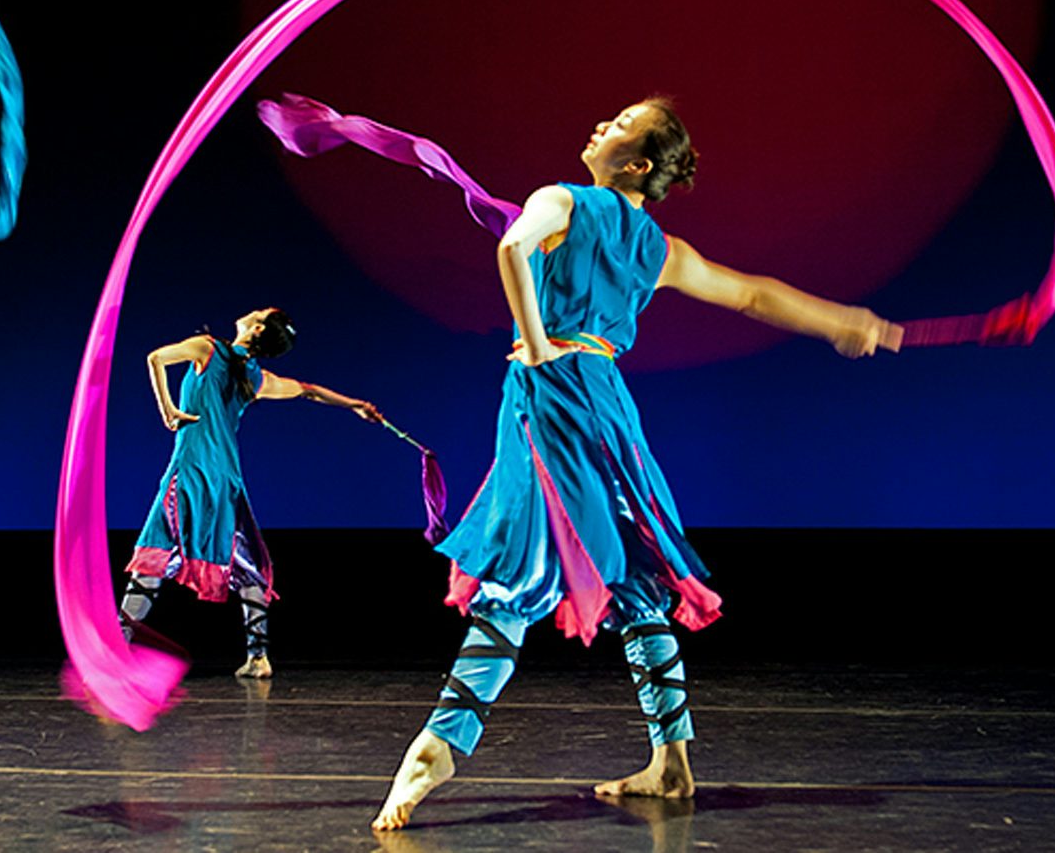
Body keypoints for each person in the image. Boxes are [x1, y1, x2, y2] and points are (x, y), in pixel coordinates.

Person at [372, 99, 898, 829]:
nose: (600, 125)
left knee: (520, 562)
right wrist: (839, 320)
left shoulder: (561, 200)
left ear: (639, 163)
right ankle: (671, 762)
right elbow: (750, 294)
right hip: (606, 398)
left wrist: (537, 342)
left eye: (619, 124)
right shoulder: (659, 248)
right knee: (627, 569)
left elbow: (512, 248)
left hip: (552, 392)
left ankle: (441, 742)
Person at [121, 308, 383, 679]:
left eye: (259, 312)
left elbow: (155, 358)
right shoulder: (255, 377)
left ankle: (116, 648)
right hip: (227, 478)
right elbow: (308, 390)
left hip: (192, 470)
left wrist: (169, 410)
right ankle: (259, 657)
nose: (252, 311)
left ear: (257, 327)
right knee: (246, 565)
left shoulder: (207, 348)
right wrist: (355, 404)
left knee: (154, 556)